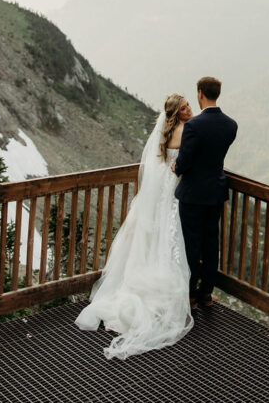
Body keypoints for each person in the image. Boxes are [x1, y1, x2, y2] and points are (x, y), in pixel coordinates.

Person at [74, 93, 194, 359]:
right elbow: (187, 159)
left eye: (188, 105)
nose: (189, 109)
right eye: (184, 107)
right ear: (177, 113)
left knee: (156, 233)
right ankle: (161, 292)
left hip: (161, 184)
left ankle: (143, 281)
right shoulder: (185, 130)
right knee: (168, 233)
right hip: (173, 185)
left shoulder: (166, 131)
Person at [173, 76, 238, 308]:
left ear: (200, 93)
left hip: (192, 194)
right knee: (211, 243)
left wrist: (176, 167)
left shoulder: (193, 126)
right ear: (216, 94)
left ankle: (190, 294)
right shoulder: (231, 125)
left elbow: (185, 161)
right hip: (215, 192)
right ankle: (206, 293)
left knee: (192, 244)